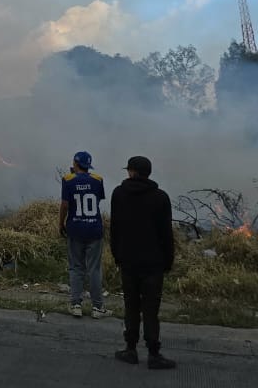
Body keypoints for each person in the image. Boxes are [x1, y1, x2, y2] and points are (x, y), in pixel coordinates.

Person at [109, 155, 176, 370]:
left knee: (131, 305)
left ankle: (130, 349)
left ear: (132, 172)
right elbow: (166, 234)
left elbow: (115, 229)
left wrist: (117, 255)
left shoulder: (119, 194)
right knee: (150, 308)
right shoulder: (161, 197)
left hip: (128, 261)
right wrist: (168, 261)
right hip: (154, 263)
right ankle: (154, 354)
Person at [58, 150, 109, 319]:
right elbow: (97, 199)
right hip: (94, 229)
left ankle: (76, 305)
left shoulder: (67, 180)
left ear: (75, 163)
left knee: (76, 267)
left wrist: (61, 223)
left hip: (75, 228)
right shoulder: (98, 180)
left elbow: (65, 205)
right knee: (94, 269)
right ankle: (97, 307)